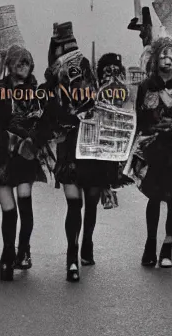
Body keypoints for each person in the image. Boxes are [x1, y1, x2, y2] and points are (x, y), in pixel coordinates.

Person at [52, 51, 130, 282]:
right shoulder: (58, 93)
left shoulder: (101, 93)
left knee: (92, 203)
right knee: (74, 205)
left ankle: (87, 243)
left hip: (94, 156)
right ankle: (71, 256)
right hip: (69, 156)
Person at [0, 44, 52, 281]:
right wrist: (6, 141)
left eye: (26, 63)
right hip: (2, 157)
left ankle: (22, 251)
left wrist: (32, 141)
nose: (22, 67)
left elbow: (45, 123)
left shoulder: (37, 91)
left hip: (25, 157)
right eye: (17, 62)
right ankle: (7, 257)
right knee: (8, 211)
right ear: (9, 66)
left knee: (25, 205)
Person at [129, 38, 172, 269]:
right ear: (156, 57)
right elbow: (140, 119)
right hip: (156, 148)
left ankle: (167, 246)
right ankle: (150, 244)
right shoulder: (146, 86)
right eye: (163, 54)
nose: (168, 59)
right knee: (155, 197)